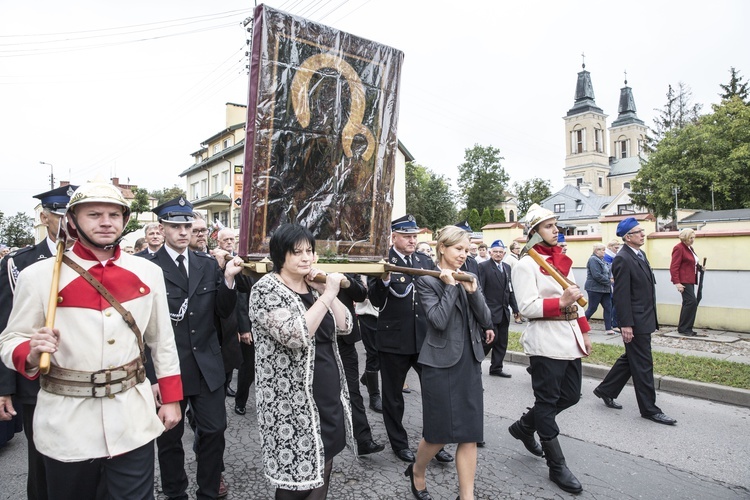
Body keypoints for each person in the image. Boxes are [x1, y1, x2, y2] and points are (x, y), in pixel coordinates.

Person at [0, 181, 183, 500]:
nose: (106, 221)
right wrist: (30, 351)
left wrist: (170, 398)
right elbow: (11, 338)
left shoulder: (147, 272)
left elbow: (162, 341)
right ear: (72, 221)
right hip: (67, 425)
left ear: (125, 221)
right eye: (94, 214)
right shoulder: (38, 275)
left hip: (132, 419)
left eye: (114, 214)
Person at [143, 196, 243, 500]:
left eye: (187, 225)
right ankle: (175, 493)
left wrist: (227, 280)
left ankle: (209, 491)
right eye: (175, 226)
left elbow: (224, 312)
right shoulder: (147, 267)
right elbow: (142, 329)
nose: (183, 232)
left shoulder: (207, 263)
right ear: (162, 228)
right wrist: (152, 377)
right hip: (169, 368)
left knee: (214, 431)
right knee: (169, 438)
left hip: (207, 366)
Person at [248, 223, 354, 498]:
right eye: (297, 252)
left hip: (326, 391)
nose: (307, 257)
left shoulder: (313, 287)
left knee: (324, 462)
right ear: (280, 255)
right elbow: (295, 334)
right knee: (296, 477)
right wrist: (329, 293)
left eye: (309, 250)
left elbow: (345, 326)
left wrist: (323, 292)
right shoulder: (266, 289)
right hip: (290, 399)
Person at [507, 204, 591, 494]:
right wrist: (563, 302)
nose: (556, 230)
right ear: (533, 233)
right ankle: (557, 466)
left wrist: (585, 331)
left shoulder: (561, 260)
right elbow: (527, 307)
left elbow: (576, 297)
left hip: (569, 338)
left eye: (556, 225)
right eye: (548, 226)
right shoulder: (525, 265)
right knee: (546, 403)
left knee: (571, 396)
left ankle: (524, 427)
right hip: (545, 341)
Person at [0, 185, 76, 499]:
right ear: (45, 217)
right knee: (43, 461)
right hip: (37, 380)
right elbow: (7, 326)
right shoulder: (21, 263)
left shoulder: (98, 260)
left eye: (74, 215)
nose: (69, 223)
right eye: (61, 215)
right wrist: (5, 387)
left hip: (84, 376)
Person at [409, 225, 493, 500]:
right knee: (438, 434)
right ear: (442, 247)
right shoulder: (427, 280)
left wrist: (472, 291)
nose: (463, 255)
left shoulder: (468, 276)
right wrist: (450, 287)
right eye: (458, 249)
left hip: (468, 362)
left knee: (469, 433)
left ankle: (466, 496)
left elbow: (485, 319)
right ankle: (417, 471)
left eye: (467, 250)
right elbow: (438, 321)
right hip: (440, 363)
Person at [368, 215, 453, 464]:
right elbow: (375, 301)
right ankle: (399, 444)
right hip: (394, 340)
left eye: (415, 236)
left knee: (434, 393)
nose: (413, 240)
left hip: (424, 339)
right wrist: (383, 279)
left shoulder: (424, 260)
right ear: (393, 237)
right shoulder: (385, 262)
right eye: (407, 236)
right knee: (393, 397)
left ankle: (435, 443)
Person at [594, 218, 677, 426]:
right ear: (628, 237)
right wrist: (626, 324)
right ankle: (650, 409)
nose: (643, 234)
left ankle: (606, 389)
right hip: (635, 320)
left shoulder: (639, 254)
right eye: (638, 231)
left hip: (644, 316)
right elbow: (621, 295)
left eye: (642, 231)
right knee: (643, 364)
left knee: (631, 359)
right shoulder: (623, 258)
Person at [335, 273, 386, 456]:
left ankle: (363, 440)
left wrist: (345, 282)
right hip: (316, 340)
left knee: (352, 391)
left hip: (345, 341)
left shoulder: (346, 265)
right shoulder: (303, 263)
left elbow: (361, 295)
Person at [478, 239, 519, 378]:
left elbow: (510, 289)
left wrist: (515, 308)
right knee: (488, 341)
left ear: (504, 253)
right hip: (490, 312)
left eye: (501, 252)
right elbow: (480, 290)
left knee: (502, 342)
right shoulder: (483, 267)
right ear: (490, 252)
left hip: (503, 312)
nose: (498, 254)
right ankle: (474, 365)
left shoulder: (507, 267)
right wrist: (483, 310)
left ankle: (496, 368)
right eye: (495, 252)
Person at [355, 277, 382, 413]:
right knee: (374, 353)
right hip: (368, 313)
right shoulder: (363, 264)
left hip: (389, 315)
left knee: (386, 353)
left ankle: (367, 377)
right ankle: (374, 396)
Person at [670, 228, 702, 336]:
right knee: (691, 302)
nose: (692, 240)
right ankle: (685, 328)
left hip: (690, 279)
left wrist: (700, 267)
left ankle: (685, 327)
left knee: (688, 303)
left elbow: (691, 263)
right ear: (685, 238)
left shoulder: (689, 248)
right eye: (690, 238)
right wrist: (677, 283)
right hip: (683, 280)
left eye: (693, 238)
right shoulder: (679, 248)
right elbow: (674, 266)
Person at [584, 244, 615, 335]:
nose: (605, 252)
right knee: (592, 308)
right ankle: (580, 325)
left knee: (608, 307)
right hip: (594, 288)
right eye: (603, 250)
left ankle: (608, 329)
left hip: (604, 289)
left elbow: (606, 272)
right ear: (597, 251)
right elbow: (596, 275)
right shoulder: (593, 259)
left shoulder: (602, 260)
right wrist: (609, 281)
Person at [603, 239, 621, 332]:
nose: (617, 250)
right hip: (611, 282)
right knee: (612, 303)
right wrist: (611, 279)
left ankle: (613, 324)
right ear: (610, 247)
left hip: (614, 281)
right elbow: (608, 270)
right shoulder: (607, 256)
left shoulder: (613, 256)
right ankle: (613, 324)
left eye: (618, 248)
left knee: (613, 303)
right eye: (615, 248)